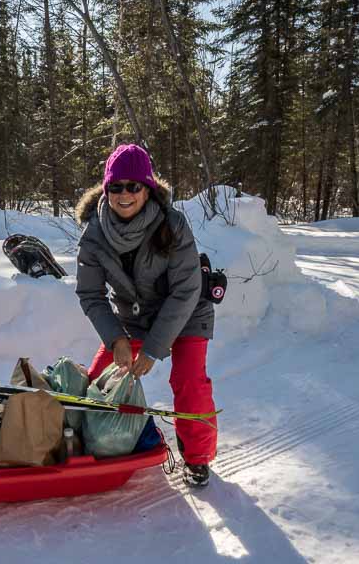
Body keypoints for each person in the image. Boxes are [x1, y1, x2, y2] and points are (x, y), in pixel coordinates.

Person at [74, 143, 217, 487]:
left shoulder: (173, 225)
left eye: (133, 186)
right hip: (133, 318)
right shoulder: (94, 234)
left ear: (148, 188)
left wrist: (153, 348)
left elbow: (186, 291)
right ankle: (87, 443)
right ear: (105, 190)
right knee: (97, 380)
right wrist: (117, 338)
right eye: (116, 187)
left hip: (187, 314)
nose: (125, 195)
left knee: (188, 382)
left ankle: (197, 459)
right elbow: (90, 294)